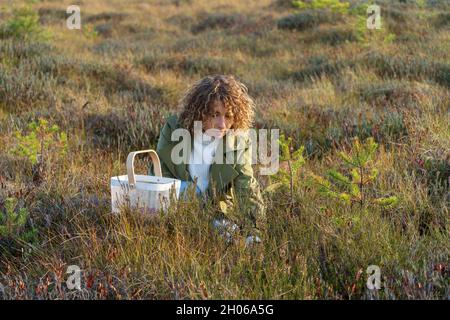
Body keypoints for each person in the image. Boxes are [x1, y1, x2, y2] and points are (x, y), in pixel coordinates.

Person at [149, 75, 266, 245]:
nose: (222, 124)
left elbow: (245, 184)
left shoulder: (238, 140)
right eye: (215, 114)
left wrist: (252, 231)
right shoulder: (174, 128)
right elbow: (160, 171)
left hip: (216, 210)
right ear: (200, 112)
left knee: (228, 236)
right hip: (173, 204)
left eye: (228, 116)